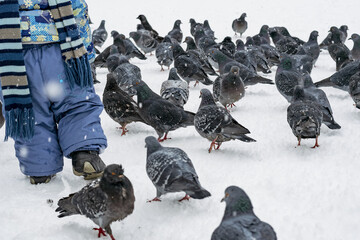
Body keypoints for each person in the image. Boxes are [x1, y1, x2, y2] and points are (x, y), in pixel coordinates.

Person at [0, 0, 107, 184]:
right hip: (62, 53)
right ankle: (85, 152)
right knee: (76, 104)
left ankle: (39, 168)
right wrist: (87, 55)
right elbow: (78, 10)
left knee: (29, 115)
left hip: (16, 60)